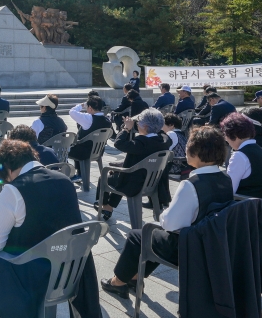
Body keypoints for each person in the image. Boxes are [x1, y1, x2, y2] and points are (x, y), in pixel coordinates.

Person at [100, 126, 232, 298]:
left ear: (196, 151)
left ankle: (118, 282)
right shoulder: (226, 179)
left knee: (138, 235)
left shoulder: (191, 184)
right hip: (211, 243)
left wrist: (163, 215)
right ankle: (134, 276)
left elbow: (170, 224)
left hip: (188, 247)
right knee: (152, 237)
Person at [0, 139, 98, 318]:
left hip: (31, 280)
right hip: (70, 273)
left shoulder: (13, 191)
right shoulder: (65, 181)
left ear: (7, 169)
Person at [97, 109, 170, 221]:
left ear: (145, 126)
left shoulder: (141, 143)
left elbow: (119, 143)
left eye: (139, 122)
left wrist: (126, 128)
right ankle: (109, 206)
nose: (137, 124)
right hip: (154, 181)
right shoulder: (164, 140)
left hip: (135, 183)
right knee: (120, 174)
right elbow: (157, 132)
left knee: (105, 177)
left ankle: (104, 205)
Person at [221, 112, 262, 220]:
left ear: (235, 135)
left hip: (250, 214)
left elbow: (229, 191)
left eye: (225, 135)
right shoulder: (260, 149)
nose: (226, 140)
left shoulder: (239, 156)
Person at [68, 96, 113, 182]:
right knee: (78, 143)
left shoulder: (88, 118)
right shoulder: (107, 120)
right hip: (98, 151)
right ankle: (79, 173)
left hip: (83, 152)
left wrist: (81, 105)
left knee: (67, 147)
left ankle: (73, 173)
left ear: (90, 108)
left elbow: (72, 112)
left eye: (87, 107)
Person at [161, 112, 189, 178]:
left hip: (174, 170)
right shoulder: (182, 135)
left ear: (171, 125)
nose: (161, 127)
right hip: (184, 169)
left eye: (163, 124)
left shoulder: (171, 134)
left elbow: (163, 151)